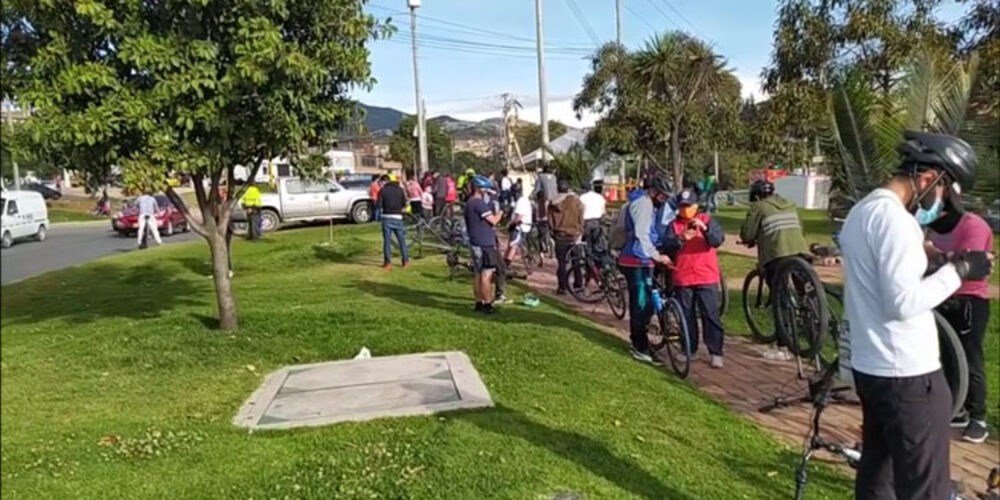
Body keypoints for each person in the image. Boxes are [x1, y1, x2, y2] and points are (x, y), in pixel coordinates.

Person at [840, 131, 993, 500]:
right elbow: (903, 302)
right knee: (925, 487)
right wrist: (959, 270)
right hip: (908, 377)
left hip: (872, 368)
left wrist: (934, 260)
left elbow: (885, 281)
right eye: (943, 196)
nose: (939, 208)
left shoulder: (863, 211)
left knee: (878, 476)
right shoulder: (897, 222)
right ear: (928, 179)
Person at [927, 194, 994, 443]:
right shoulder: (933, 229)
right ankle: (957, 407)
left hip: (968, 300)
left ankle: (978, 417)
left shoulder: (972, 225)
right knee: (945, 356)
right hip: (939, 296)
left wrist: (936, 256)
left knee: (969, 357)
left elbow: (972, 266)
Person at [661, 189, 726, 368]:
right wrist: (681, 238)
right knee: (686, 316)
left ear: (696, 206)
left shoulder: (707, 220)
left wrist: (704, 229)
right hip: (684, 276)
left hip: (706, 275)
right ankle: (689, 348)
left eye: (688, 206)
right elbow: (666, 246)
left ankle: (716, 351)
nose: (685, 210)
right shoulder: (673, 226)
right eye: (682, 207)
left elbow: (717, 240)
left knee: (710, 314)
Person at [617, 174, 674, 364]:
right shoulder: (643, 204)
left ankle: (641, 338)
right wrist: (657, 256)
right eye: (662, 196)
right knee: (640, 305)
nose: (664, 200)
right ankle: (639, 345)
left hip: (643, 259)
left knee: (647, 302)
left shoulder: (648, 203)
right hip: (636, 259)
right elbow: (642, 235)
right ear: (654, 192)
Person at [464, 175, 503, 314]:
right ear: (480, 189)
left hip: (474, 241)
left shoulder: (469, 202)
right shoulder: (479, 203)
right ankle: (487, 303)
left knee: (478, 273)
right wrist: (500, 213)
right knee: (487, 274)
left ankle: (478, 302)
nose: (487, 192)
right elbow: (492, 220)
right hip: (484, 242)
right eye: (485, 189)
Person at [550, 179, 585, 295]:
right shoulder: (576, 202)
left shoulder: (553, 203)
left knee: (562, 263)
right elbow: (581, 217)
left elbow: (550, 221)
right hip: (574, 235)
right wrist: (580, 230)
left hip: (560, 236)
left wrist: (553, 233)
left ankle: (562, 287)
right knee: (576, 261)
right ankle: (578, 285)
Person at [378, 174, 409, 269]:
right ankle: (405, 261)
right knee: (402, 240)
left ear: (384, 181)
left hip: (387, 217)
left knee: (387, 241)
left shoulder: (383, 191)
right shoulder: (400, 190)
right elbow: (404, 203)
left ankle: (388, 263)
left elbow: (379, 205)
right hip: (398, 217)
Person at [504, 185, 533, 265]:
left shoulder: (521, 201)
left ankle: (507, 264)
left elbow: (519, 218)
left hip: (520, 227)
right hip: (518, 226)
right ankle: (503, 262)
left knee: (513, 245)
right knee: (510, 245)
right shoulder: (521, 200)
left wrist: (510, 224)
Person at [580, 181, 607, 251]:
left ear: (583, 189)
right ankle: (597, 257)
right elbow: (603, 211)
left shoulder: (582, 197)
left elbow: (580, 211)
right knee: (596, 241)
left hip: (586, 222)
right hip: (597, 221)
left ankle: (589, 258)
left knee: (587, 241)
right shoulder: (599, 197)